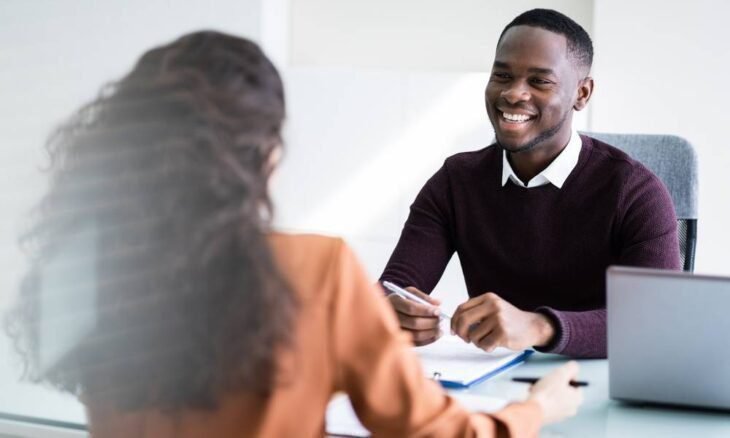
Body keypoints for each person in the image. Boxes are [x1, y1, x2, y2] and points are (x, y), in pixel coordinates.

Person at [4, 30, 582, 437]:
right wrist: (533, 411)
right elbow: (429, 432)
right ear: (266, 154)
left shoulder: (87, 262)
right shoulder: (313, 270)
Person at [380, 8, 680, 359]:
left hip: (602, 387)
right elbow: (394, 288)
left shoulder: (636, 192)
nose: (513, 94)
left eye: (539, 81)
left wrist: (539, 327)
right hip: (492, 386)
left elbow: (655, 322)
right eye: (502, 75)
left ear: (581, 93)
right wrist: (391, 313)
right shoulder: (455, 182)